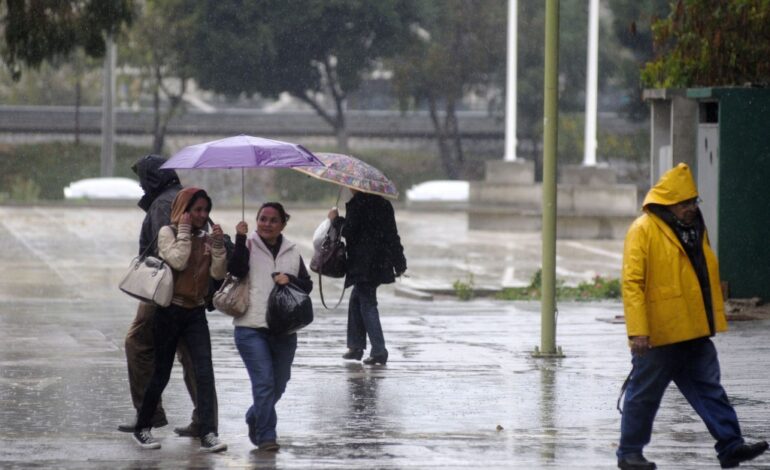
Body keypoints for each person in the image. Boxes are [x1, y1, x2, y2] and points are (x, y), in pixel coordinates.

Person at [617, 163, 767, 469]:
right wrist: (638, 331)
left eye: (693, 201)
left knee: (710, 389)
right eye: (684, 203)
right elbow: (632, 283)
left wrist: (711, 319)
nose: (691, 208)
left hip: (693, 330)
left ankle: (731, 446)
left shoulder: (694, 230)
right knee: (644, 395)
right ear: (668, 203)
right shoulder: (643, 230)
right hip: (659, 334)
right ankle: (630, 453)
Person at [119, 154, 218, 438]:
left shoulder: (164, 203)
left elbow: (173, 255)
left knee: (138, 344)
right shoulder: (179, 197)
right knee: (193, 359)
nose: (140, 186)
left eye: (142, 179)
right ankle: (205, 421)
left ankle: (149, 414)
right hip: (186, 293)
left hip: (167, 292)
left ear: (151, 178)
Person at [131, 187, 227, 453]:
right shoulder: (168, 233)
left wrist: (218, 247)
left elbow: (218, 274)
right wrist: (184, 234)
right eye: (196, 210)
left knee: (204, 373)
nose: (202, 215)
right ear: (183, 210)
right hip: (169, 311)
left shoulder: (207, 238)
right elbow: (178, 261)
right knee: (161, 372)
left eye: (205, 210)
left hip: (195, 313)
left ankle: (209, 432)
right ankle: (143, 427)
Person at [227, 202, 313, 451]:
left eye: (273, 220)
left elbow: (306, 286)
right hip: (250, 327)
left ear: (283, 224)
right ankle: (267, 435)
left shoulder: (292, 251)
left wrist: (291, 279)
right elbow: (235, 271)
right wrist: (240, 237)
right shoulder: (247, 244)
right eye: (262, 219)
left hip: (284, 330)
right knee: (264, 382)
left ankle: (254, 415)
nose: (267, 224)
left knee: (280, 382)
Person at [329, 189, 406, 365]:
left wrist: (335, 219)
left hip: (363, 264)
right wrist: (400, 263)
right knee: (357, 298)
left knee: (367, 303)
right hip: (380, 263)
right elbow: (392, 235)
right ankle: (356, 347)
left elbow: (349, 231)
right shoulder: (384, 205)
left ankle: (379, 350)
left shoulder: (358, 204)